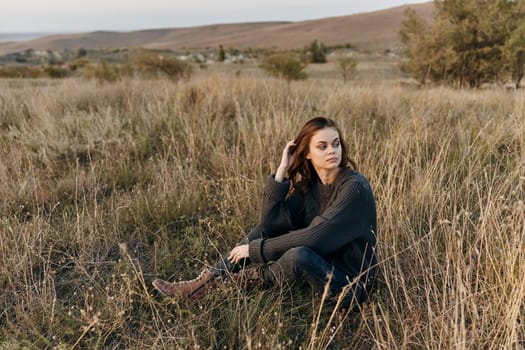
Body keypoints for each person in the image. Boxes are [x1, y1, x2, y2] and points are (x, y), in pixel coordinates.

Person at [152, 117, 377, 308]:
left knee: (299, 255)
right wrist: (281, 172)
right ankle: (205, 283)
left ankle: (248, 280)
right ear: (306, 153)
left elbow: (316, 238)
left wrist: (254, 251)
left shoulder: (355, 187)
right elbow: (269, 224)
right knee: (261, 233)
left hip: (349, 286)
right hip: (322, 265)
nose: (332, 151)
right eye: (322, 146)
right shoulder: (312, 186)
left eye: (335, 144)